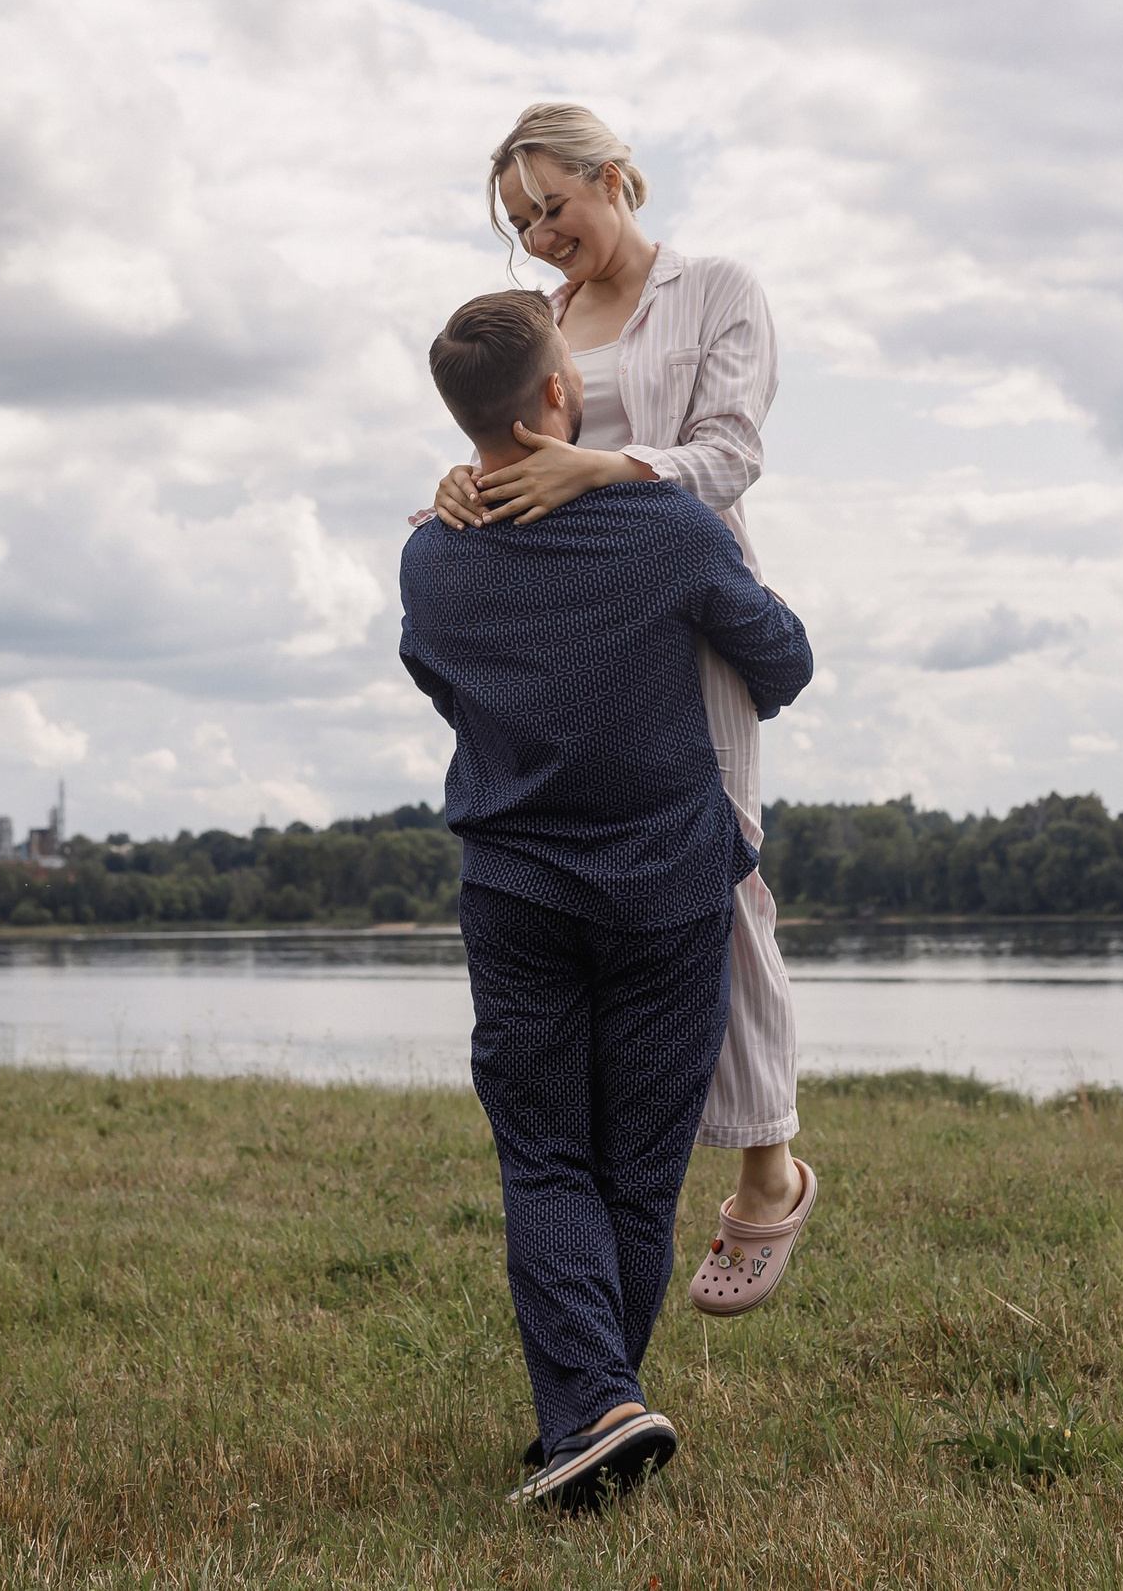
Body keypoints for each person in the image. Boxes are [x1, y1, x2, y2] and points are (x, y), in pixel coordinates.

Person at [400, 290, 814, 1508]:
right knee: (634, 1167)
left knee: (544, 1158)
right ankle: (598, 1405)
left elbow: (441, 680)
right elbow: (782, 658)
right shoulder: (666, 530)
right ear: (560, 395)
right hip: (666, 887)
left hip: (517, 890)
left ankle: (595, 1411)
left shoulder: (432, 551)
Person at [425, 104, 817, 1318]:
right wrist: (463, 476)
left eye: (554, 206)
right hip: (579, 638)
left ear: (613, 177)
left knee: (723, 870)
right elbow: (517, 433)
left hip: (695, 615)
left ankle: (766, 1172)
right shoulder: (544, 326)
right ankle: (621, 1149)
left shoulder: (716, 291)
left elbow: (729, 453)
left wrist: (608, 466)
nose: (541, 236)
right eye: (520, 222)